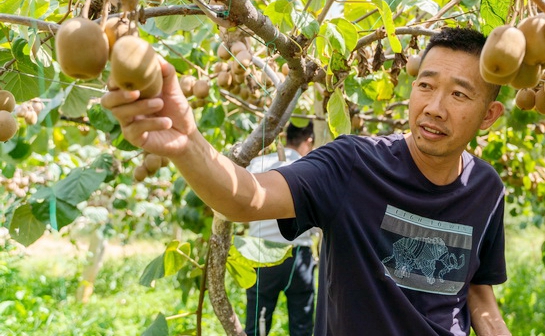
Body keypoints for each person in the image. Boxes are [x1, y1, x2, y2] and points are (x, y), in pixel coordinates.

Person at [102, 27, 511, 335]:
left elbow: (476, 290)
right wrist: (186, 141)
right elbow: (248, 197)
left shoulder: (486, 189)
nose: (434, 108)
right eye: (425, 85)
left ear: (489, 115)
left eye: (459, 95)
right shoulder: (354, 163)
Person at [244, 123, 317, 336]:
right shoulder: (309, 167)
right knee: (302, 325)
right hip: (297, 256)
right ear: (309, 141)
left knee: (257, 324)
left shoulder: (257, 163)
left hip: (260, 254)